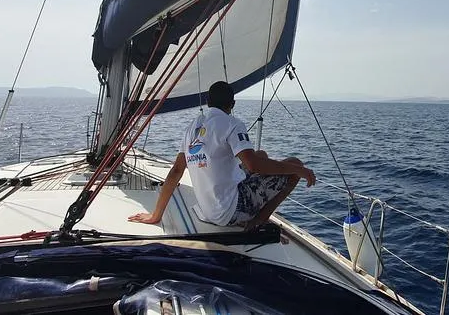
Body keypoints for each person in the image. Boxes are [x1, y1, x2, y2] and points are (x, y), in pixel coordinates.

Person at [128, 81, 315, 231]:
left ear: (208, 102)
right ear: (232, 104)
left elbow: (176, 170)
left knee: (261, 154)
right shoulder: (232, 123)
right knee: (293, 164)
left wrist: (156, 215)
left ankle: (252, 214)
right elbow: (253, 166)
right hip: (230, 211)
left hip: (206, 211)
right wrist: (300, 170)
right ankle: (257, 223)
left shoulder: (193, 127)